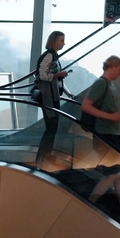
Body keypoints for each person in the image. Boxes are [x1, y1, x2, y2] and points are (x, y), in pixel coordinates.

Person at [82, 56, 120, 218]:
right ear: (112, 66)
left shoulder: (110, 85)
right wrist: (111, 118)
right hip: (104, 136)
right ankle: (91, 201)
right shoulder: (101, 84)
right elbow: (86, 106)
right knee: (113, 174)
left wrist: (118, 129)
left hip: (113, 135)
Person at [34, 30, 69, 168]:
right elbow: (42, 75)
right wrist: (57, 75)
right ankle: (42, 157)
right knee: (51, 127)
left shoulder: (53, 56)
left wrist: (67, 92)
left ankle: (46, 155)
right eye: (61, 40)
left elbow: (54, 76)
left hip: (53, 95)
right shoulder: (49, 56)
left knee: (52, 127)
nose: (63, 43)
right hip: (48, 96)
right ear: (54, 41)